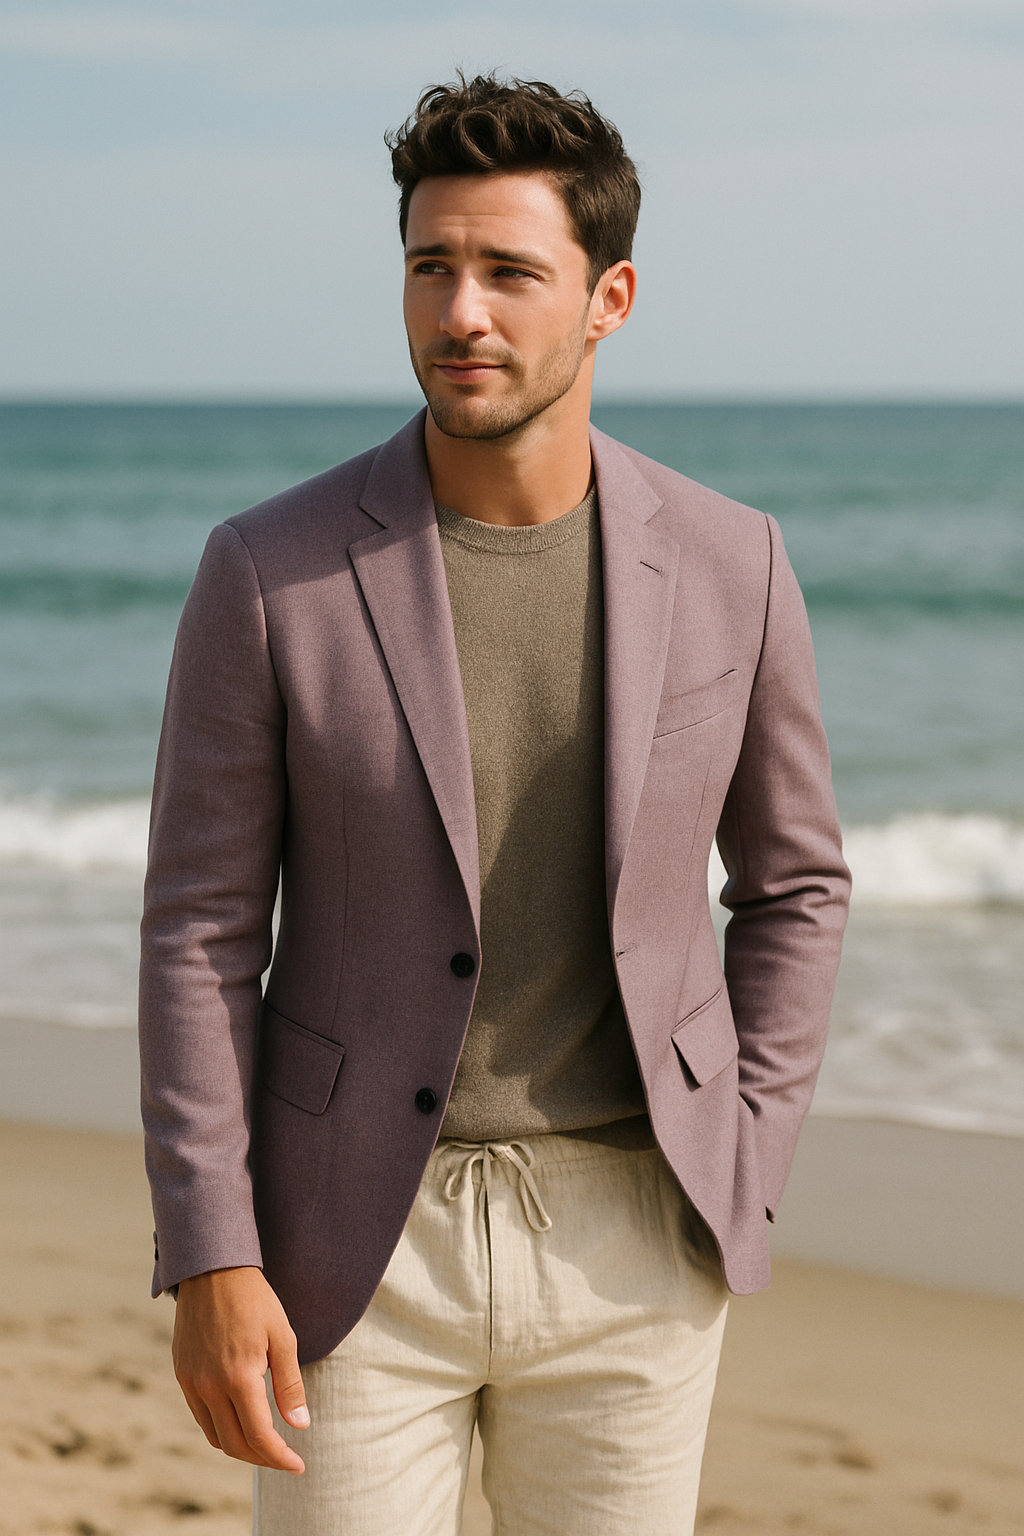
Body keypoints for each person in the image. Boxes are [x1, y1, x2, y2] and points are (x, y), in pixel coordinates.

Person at [140, 74, 850, 1536]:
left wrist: (746, 1159)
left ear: (609, 297)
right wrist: (212, 1250)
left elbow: (795, 886)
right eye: (429, 265)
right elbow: (200, 932)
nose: (461, 312)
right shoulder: (269, 573)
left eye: (511, 271)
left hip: (636, 1243)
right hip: (350, 1248)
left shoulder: (735, 561)